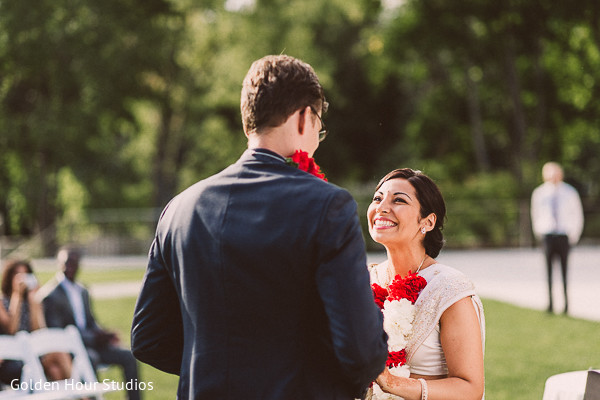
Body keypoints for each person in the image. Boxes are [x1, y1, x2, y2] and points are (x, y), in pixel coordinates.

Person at [131, 54, 388, 399]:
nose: (317, 138)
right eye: (319, 128)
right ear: (303, 117)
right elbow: (361, 352)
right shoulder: (327, 205)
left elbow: (148, 338)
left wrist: (223, 370)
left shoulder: (178, 209)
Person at [366, 168, 485, 400]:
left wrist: (391, 382)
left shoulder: (449, 289)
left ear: (428, 222)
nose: (382, 207)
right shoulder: (363, 280)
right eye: (377, 198)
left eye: (398, 200)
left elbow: (470, 388)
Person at [39, 246, 141, 400]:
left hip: (92, 343)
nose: (70, 267)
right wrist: (94, 338)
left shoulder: (83, 291)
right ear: (59, 264)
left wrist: (105, 335)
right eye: (66, 262)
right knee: (90, 358)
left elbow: (90, 322)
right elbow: (58, 332)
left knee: (128, 356)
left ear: (80, 264)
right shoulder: (51, 295)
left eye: (74, 262)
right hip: (69, 350)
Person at [1, 259, 72, 382]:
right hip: (13, 355)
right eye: (18, 275)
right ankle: (83, 396)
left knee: (55, 370)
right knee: (59, 355)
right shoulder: (2, 302)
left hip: (33, 351)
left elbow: (39, 331)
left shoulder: (31, 301)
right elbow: (11, 330)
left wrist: (34, 304)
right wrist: (16, 296)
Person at [530, 161, 584, 314]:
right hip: (547, 235)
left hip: (563, 235)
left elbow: (577, 214)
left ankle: (566, 304)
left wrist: (574, 234)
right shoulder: (539, 193)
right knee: (548, 271)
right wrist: (539, 232)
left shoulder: (570, 192)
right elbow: (535, 214)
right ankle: (550, 304)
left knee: (565, 271)